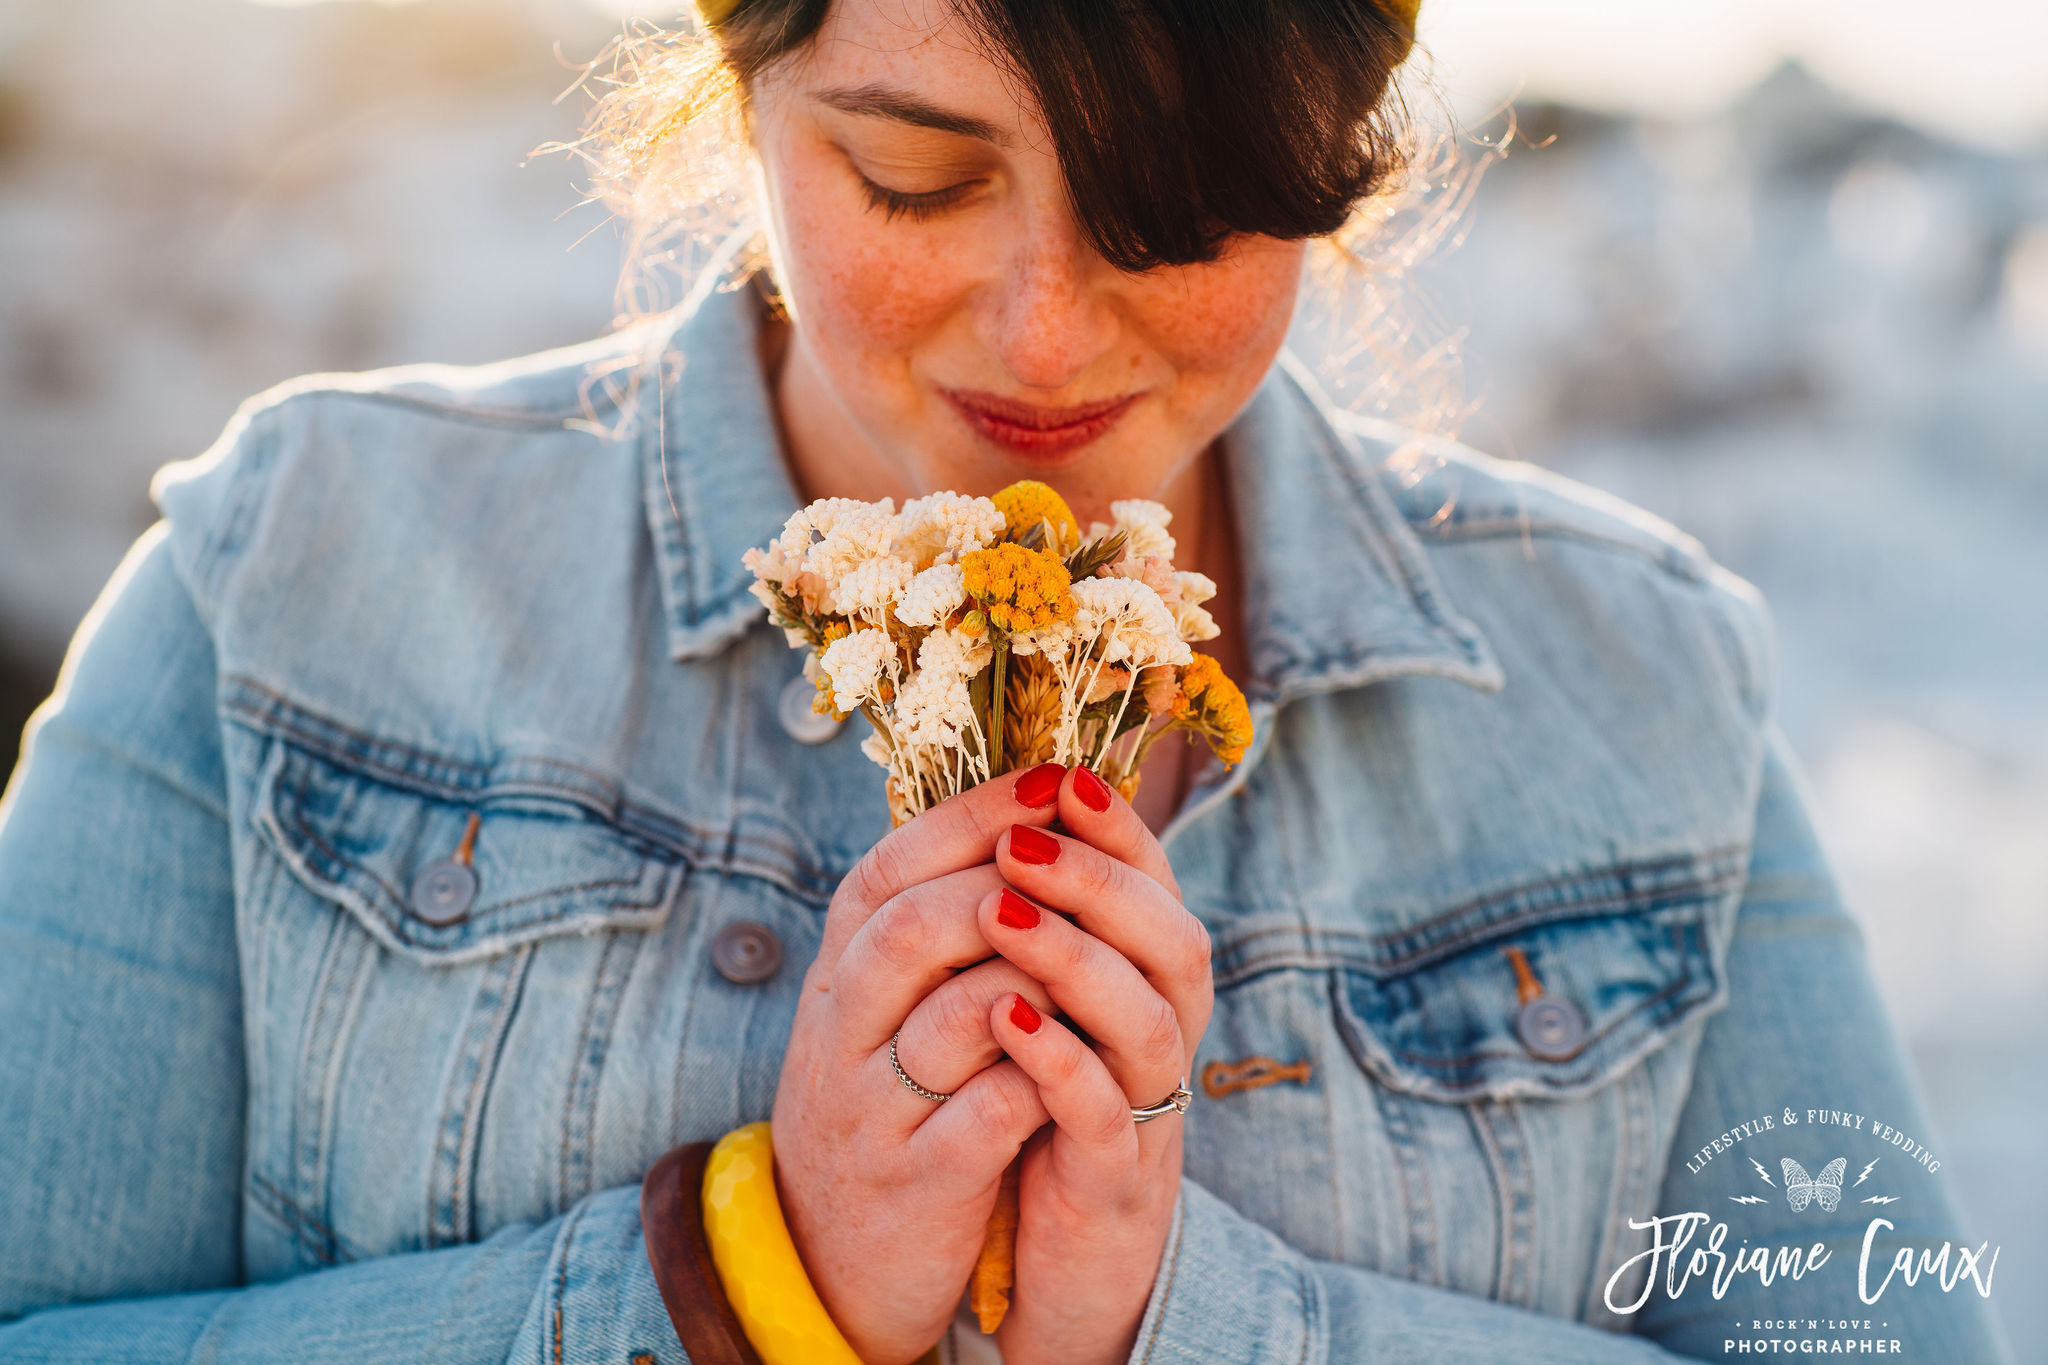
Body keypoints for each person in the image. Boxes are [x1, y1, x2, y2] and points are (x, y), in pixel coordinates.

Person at [0, 1, 2011, 1362]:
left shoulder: (1633, 678)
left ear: (1338, 156)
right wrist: (731, 1285)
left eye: (1177, 205)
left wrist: (1189, 1318)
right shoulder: (307, 570)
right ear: (741, 77)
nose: (1045, 330)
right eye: (913, 176)